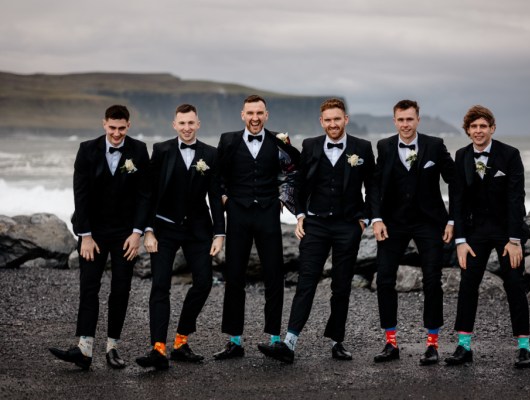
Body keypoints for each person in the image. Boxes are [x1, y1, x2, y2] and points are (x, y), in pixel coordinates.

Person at [259, 98, 375, 363]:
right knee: (306, 282)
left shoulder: (362, 148)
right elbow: (299, 184)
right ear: (321, 122)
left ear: (345, 119)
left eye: (337, 119)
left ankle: (337, 342)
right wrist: (299, 215)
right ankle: (289, 343)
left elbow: (374, 185)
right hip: (316, 224)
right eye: (328, 120)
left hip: (348, 225)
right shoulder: (310, 146)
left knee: (341, 285)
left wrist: (365, 219)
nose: (333, 124)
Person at [49, 105, 150, 370]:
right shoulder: (86, 150)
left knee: (121, 289)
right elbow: (79, 194)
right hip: (93, 232)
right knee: (89, 287)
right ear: (104, 124)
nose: (116, 134)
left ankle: (112, 347)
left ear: (128, 125)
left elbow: (144, 195)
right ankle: (84, 348)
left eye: (121, 128)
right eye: (112, 128)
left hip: (125, 234)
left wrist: (137, 233)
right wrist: (85, 236)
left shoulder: (139, 150)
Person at [135, 104, 225, 370]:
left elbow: (215, 197)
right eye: (182, 123)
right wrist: (148, 230)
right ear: (174, 125)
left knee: (204, 282)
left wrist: (219, 233)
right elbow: (149, 192)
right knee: (160, 285)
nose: (186, 128)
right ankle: (158, 349)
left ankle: (181, 341)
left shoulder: (211, 154)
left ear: (199, 124)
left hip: (198, 230)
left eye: (191, 123)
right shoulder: (161, 150)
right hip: (164, 228)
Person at [445, 105, 530, 369]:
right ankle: (464, 346)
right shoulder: (460, 156)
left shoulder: (510, 155)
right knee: (467, 285)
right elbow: (457, 200)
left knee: (514, 284)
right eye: (474, 127)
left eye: (483, 126)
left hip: (507, 233)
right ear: (468, 130)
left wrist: (514, 239)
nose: (479, 131)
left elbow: (516, 198)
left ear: (492, 128)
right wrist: (460, 241)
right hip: (474, 234)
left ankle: (524, 347)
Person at [213, 95, 299, 360]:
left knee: (274, 275)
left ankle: (274, 338)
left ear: (266, 114)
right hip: (237, 214)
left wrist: (284, 197)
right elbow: (217, 175)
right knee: (234, 277)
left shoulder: (279, 141)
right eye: (250, 113)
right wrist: (225, 197)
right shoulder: (228, 140)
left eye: (259, 113)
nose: (255, 118)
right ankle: (234, 341)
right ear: (242, 114)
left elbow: (294, 170)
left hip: (268, 214)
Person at [370, 99, 455, 365]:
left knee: (432, 280)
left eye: (410, 119)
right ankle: (390, 342)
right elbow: (374, 186)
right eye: (401, 120)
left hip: (429, 222)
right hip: (393, 222)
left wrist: (453, 220)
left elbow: (456, 180)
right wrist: (376, 218)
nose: (405, 124)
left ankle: (432, 344)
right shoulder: (384, 147)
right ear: (394, 121)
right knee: (384, 279)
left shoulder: (435, 145)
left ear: (418, 120)